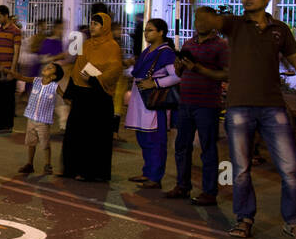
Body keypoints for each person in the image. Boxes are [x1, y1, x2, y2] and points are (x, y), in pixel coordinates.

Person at [201, 0, 296, 239]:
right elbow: (206, 18)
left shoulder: (280, 29)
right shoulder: (234, 24)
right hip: (238, 106)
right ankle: (244, 218)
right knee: (241, 170)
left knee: (291, 169)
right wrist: (211, 16)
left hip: (273, 107)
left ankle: (293, 222)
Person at [168, 6, 228, 204]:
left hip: (207, 104)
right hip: (185, 102)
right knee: (181, 146)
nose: (199, 22)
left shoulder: (220, 45)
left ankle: (209, 191)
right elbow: (180, 74)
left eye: (204, 19)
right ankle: (182, 185)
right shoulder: (189, 44)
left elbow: (226, 74)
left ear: (213, 21)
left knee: (208, 148)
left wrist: (199, 68)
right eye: (197, 19)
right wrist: (179, 67)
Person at [61, 12, 123, 182]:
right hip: (82, 96)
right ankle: (73, 168)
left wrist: (96, 78)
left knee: (95, 137)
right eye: (91, 23)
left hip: (100, 98)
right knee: (76, 133)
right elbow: (77, 68)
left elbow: (115, 70)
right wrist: (70, 92)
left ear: (105, 26)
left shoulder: (112, 47)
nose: (92, 26)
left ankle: (93, 172)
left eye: (96, 24)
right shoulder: (86, 44)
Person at [125, 18, 180, 188]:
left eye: (150, 30)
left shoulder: (166, 53)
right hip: (141, 99)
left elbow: (176, 76)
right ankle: (147, 172)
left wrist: (154, 83)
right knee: (143, 137)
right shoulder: (148, 51)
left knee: (155, 139)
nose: (146, 33)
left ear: (161, 32)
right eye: (145, 30)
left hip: (155, 101)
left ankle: (155, 177)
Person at [12, 61, 64, 175]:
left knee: (45, 143)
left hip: (43, 121)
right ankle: (30, 164)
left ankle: (47, 165)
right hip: (31, 118)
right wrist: (11, 73)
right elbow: (22, 77)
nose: (46, 67)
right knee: (31, 142)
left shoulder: (54, 87)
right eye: (48, 66)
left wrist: (72, 101)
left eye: (50, 68)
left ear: (53, 76)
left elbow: (64, 96)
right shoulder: (36, 80)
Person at [0, 5, 21, 133]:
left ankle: (8, 124)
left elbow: (16, 52)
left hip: (9, 69)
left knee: (8, 98)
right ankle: (0, 122)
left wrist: (12, 70)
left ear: (6, 15)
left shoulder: (15, 31)